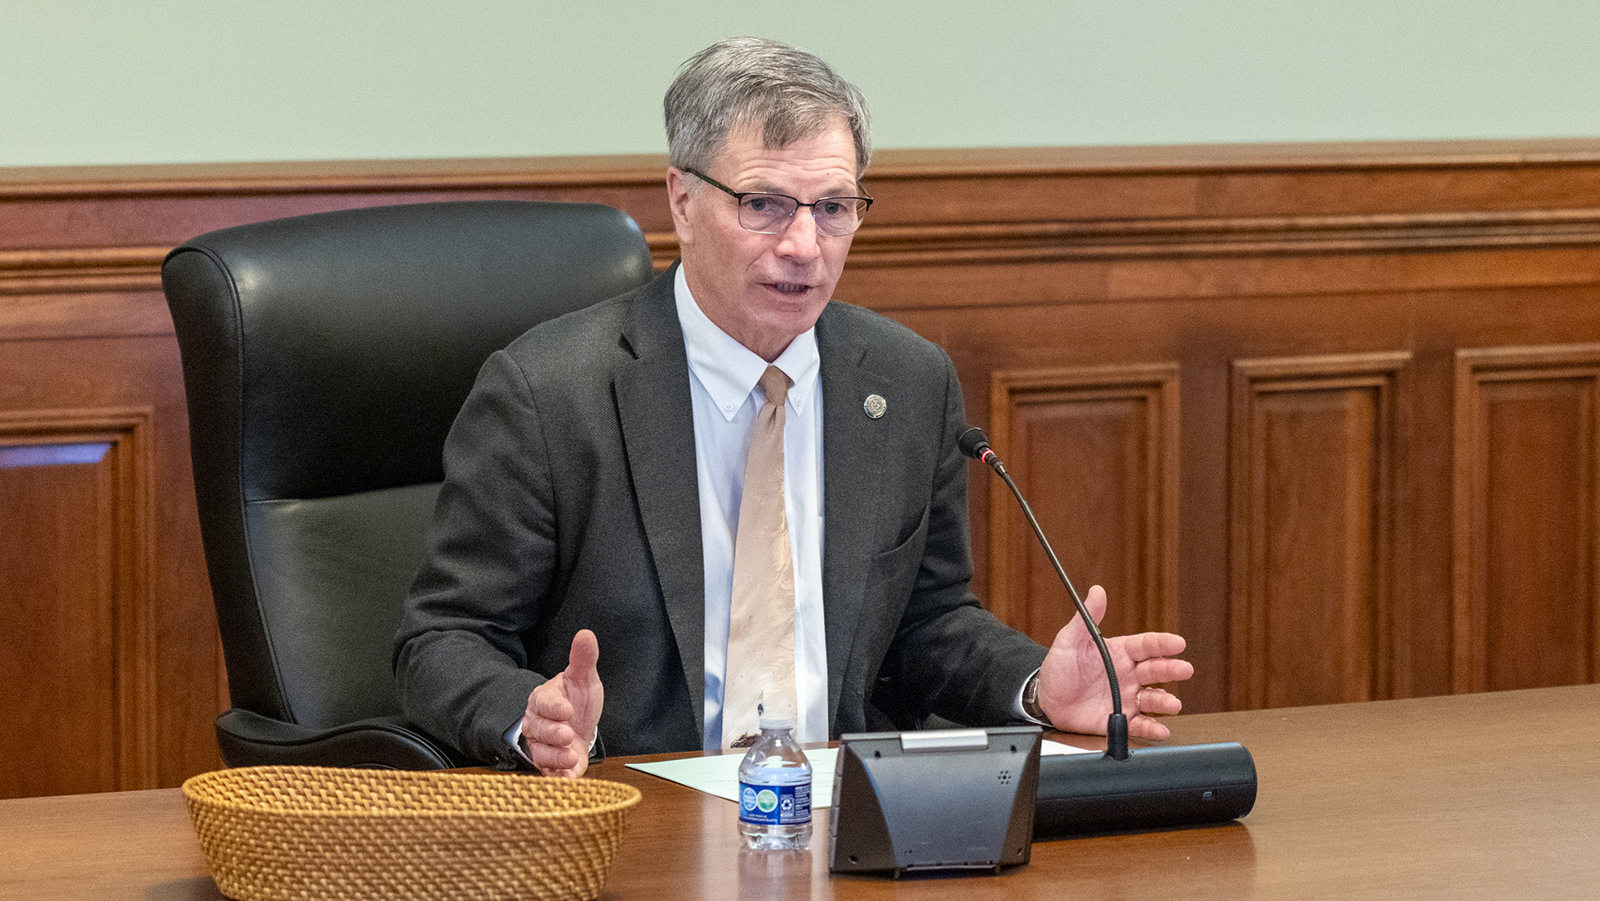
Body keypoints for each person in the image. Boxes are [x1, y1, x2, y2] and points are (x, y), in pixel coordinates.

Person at [393, 37, 1192, 778]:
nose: (805, 245)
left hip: (849, 815)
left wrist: (1034, 685)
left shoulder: (909, 383)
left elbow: (928, 623)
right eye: (764, 203)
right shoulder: (550, 394)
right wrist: (532, 719)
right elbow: (441, 639)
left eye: (833, 208)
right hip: (634, 810)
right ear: (681, 200)